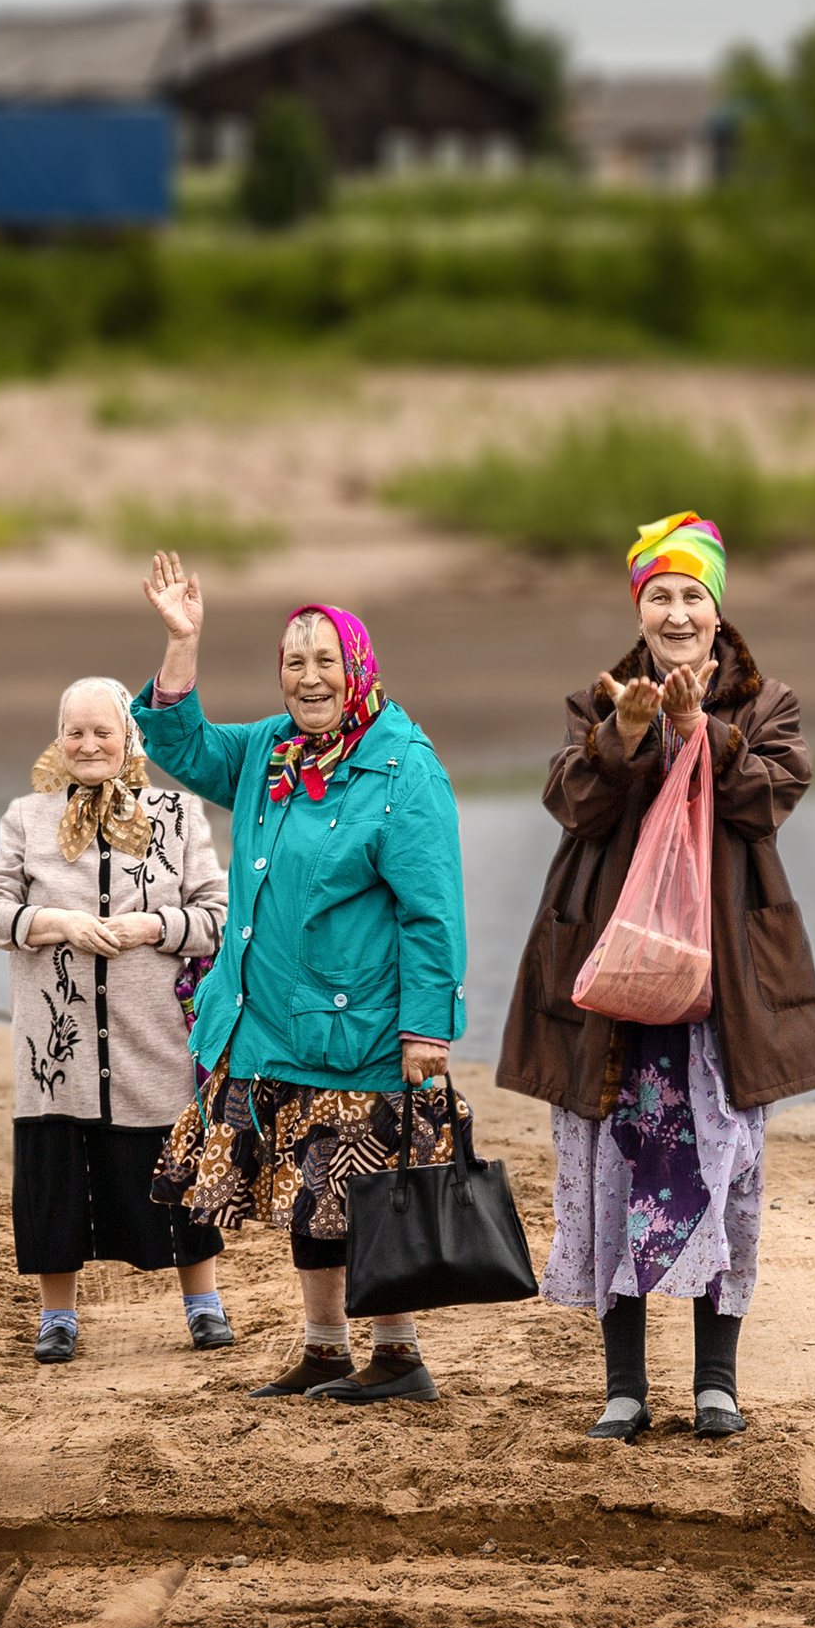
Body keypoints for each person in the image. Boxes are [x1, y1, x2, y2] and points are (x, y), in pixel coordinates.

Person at [499, 511, 815, 1442]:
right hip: (616, 983)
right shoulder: (596, 699)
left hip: (721, 990)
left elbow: (770, 800)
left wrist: (702, 732)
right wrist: (628, 733)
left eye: (694, 595)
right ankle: (623, 1387)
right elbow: (573, 802)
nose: (678, 612)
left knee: (722, 1174)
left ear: (720, 611)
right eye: (661, 596)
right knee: (615, 1171)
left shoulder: (769, 706)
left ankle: (716, 1384)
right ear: (638, 609)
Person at [133, 553, 470, 1405]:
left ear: (357, 668)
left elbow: (432, 913)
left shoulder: (403, 767)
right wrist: (183, 641)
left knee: (370, 1195)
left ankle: (397, 1356)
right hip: (268, 1024)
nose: (309, 678)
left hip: (359, 1031)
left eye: (326, 661)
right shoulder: (271, 750)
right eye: (294, 662)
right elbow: (179, 742)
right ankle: (325, 1353)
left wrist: (427, 1031)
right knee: (307, 1199)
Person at [0, 676, 232, 1367]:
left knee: (173, 1174)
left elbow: (219, 916)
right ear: (59, 740)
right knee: (57, 1180)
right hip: (57, 1052)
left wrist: (153, 924)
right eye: (75, 732)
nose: (88, 744)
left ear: (130, 740)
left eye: (103, 732)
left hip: (156, 1040)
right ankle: (57, 1317)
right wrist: (56, 924)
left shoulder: (179, 814)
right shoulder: (26, 817)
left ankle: (203, 1305)